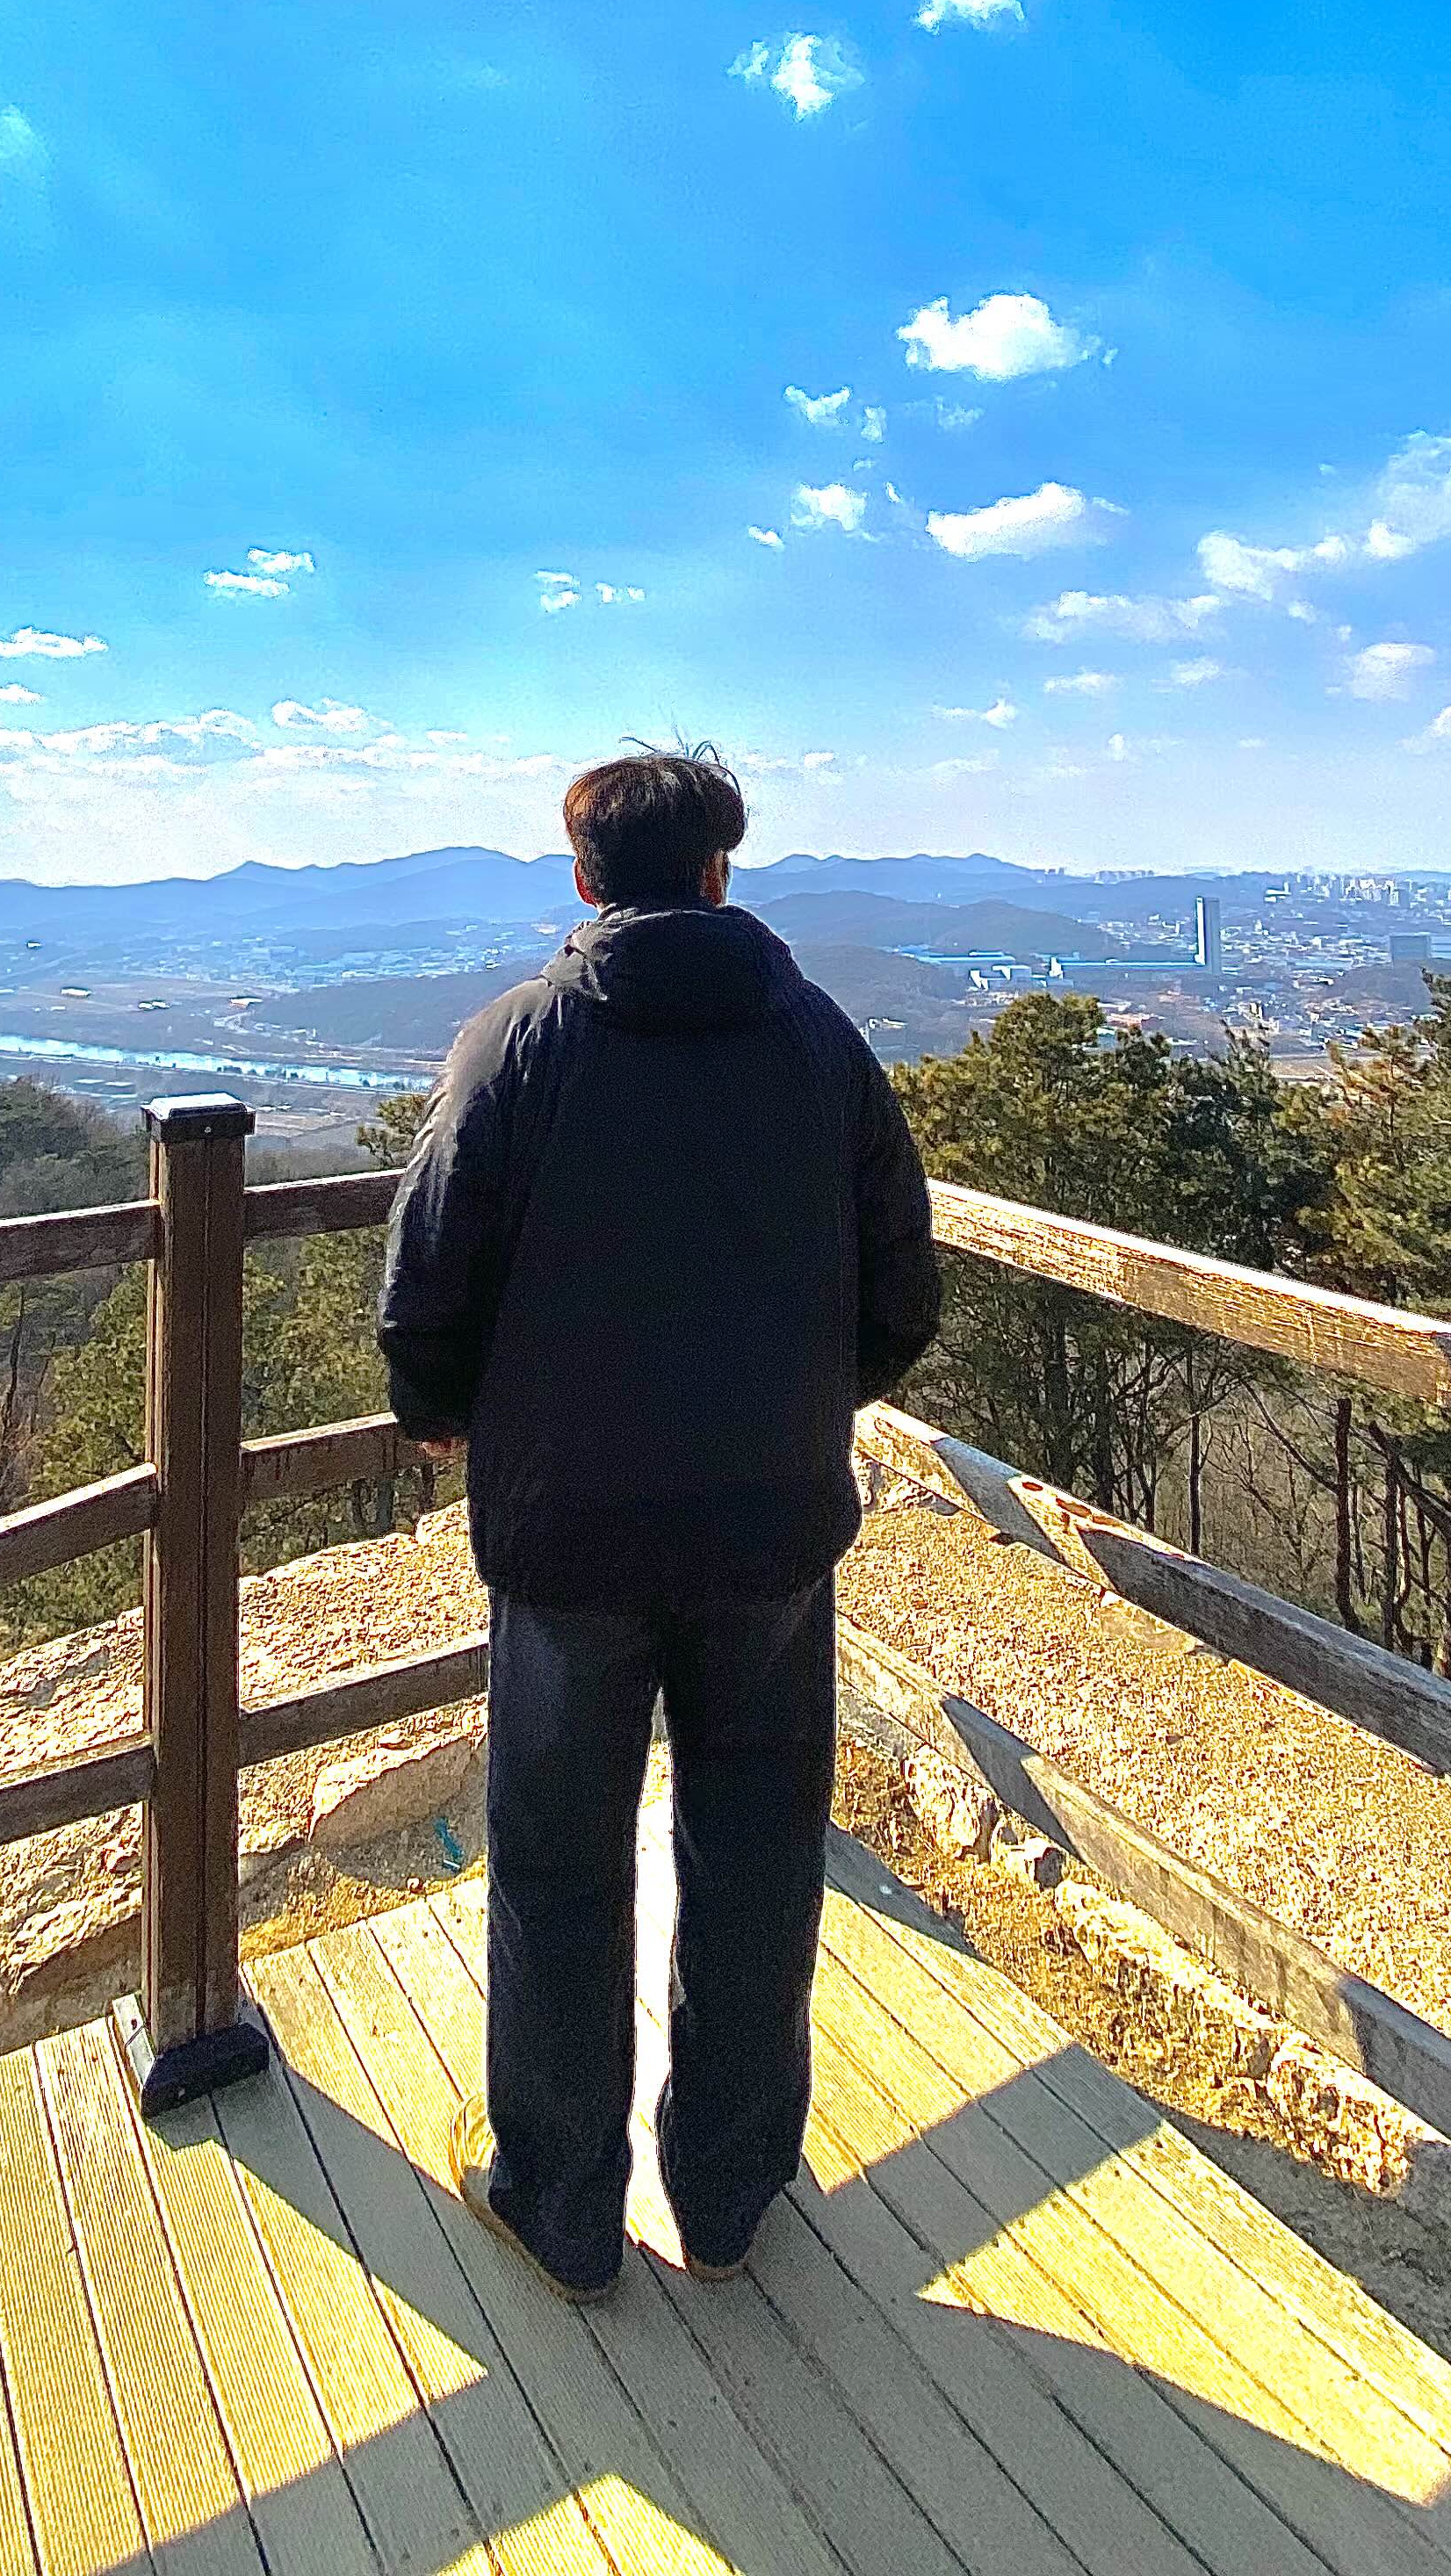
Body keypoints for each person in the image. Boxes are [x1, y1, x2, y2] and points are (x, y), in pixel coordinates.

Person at [377, 747, 941, 2300]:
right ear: (716, 873)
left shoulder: (516, 1044)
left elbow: (428, 1277)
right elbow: (902, 1282)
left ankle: (562, 2206)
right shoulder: (819, 1044)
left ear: (585, 880)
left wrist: (443, 1409)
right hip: (769, 1530)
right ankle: (731, 2195)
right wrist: (802, 1407)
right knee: (758, 1850)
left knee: (558, 1865)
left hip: (570, 1531)